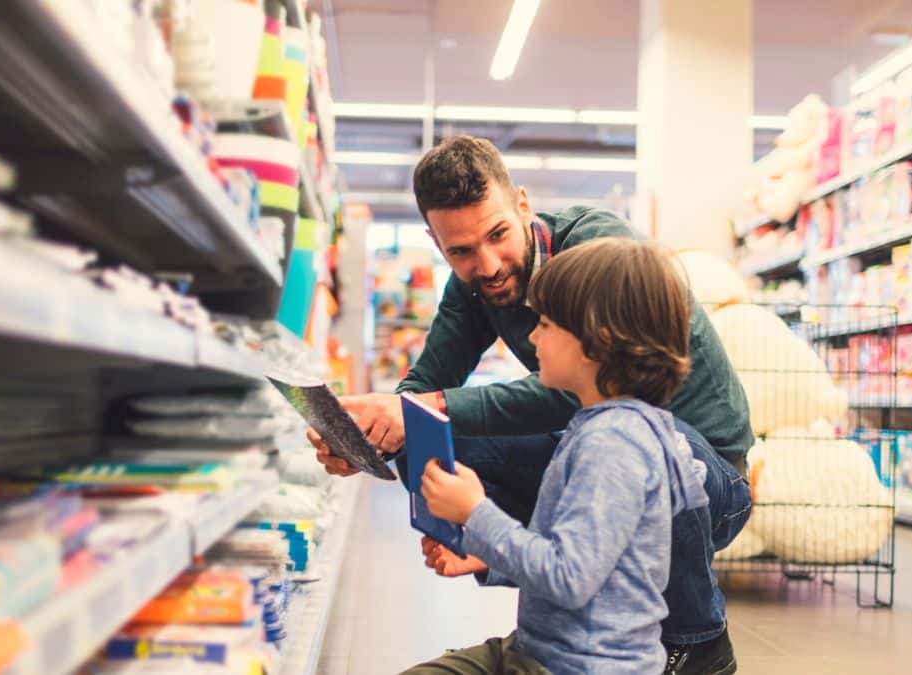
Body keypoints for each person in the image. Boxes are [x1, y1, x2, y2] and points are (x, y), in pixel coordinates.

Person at [310, 135, 753, 674]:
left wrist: (425, 412)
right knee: (428, 437)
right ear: (436, 242)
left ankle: (698, 639)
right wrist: (372, 435)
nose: (489, 264)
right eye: (462, 251)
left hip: (707, 479)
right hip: (592, 451)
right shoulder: (471, 285)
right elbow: (428, 384)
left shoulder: (598, 253)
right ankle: (519, 570)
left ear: (522, 204)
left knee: (652, 448)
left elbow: (582, 392)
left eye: (497, 234)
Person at [401, 238, 711, 675]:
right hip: (549, 649)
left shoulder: (613, 445)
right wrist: (488, 554)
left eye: (545, 324)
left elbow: (569, 577)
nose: (531, 336)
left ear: (597, 342)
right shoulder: (619, 427)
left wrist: (475, 513)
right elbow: (597, 564)